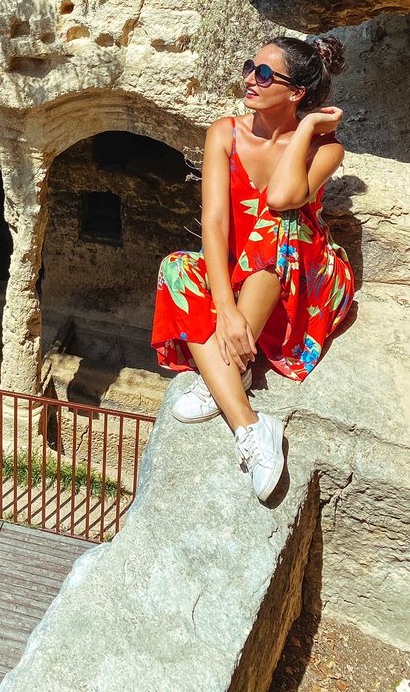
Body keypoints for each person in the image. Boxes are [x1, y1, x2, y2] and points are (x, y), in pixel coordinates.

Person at [151, 36, 355, 502]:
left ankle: (223, 372)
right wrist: (224, 306)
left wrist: (304, 132)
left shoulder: (326, 149)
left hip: (301, 280)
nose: (249, 79)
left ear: (296, 93)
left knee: (277, 224)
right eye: (250, 67)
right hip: (242, 278)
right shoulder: (224, 132)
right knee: (176, 269)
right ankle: (249, 421)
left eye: (264, 74)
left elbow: (283, 199)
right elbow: (215, 220)